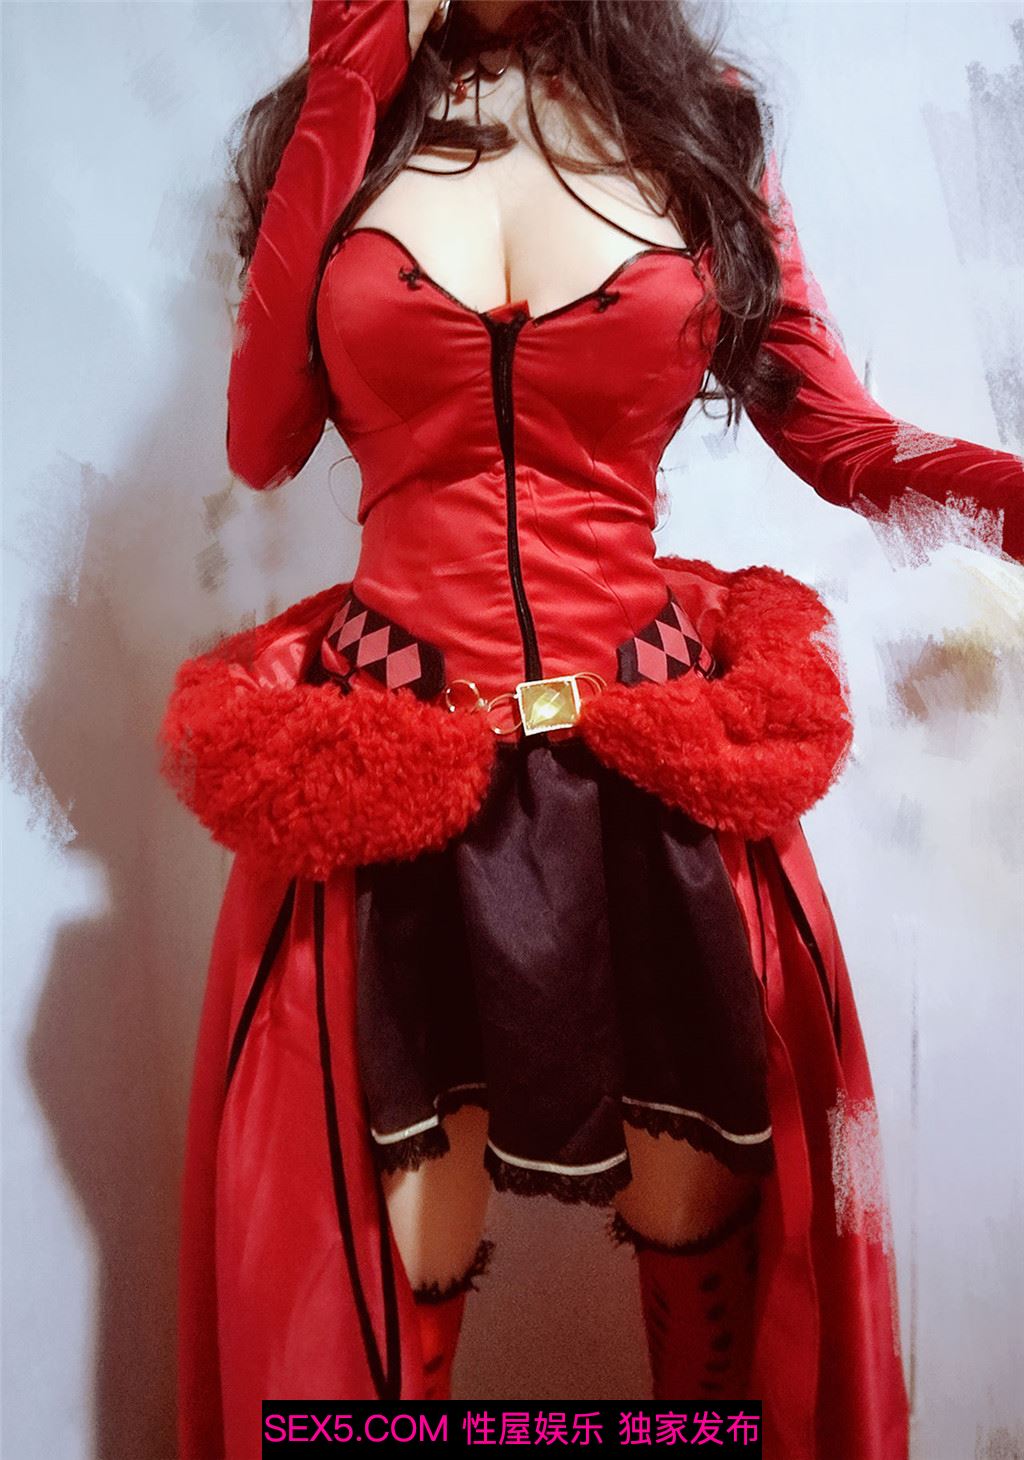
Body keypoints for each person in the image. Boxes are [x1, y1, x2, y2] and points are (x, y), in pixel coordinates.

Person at [160, 2, 1023, 1457]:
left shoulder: (696, 118)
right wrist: (357, 66)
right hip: (390, 765)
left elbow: (844, 438)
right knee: (376, 1303)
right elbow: (260, 439)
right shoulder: (345, 117)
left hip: (653, 769)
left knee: (720, 1291)